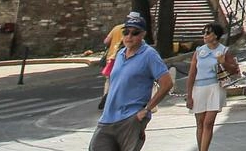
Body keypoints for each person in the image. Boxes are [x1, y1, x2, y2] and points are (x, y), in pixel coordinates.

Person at [88, 11, 173, 151]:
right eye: (126, 32)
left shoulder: (149, 55)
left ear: (143, 34)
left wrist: (147, 109)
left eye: (135, 33)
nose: (129, 36)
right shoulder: (121, 53)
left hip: (130, 119)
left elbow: (167, 83)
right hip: (107, 119)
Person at [186, 23, 235, 151]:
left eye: (208, 33)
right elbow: (192, 74)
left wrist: (223, 62)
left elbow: (234, 69)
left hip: (215, 87)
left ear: (216, 35)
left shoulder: (224, 50)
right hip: (199, 88)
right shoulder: (199, 51)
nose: (205, 35)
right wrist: (189, 96)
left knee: (208, 122)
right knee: (200, 123)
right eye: (204, 32)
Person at [97, 20, 126, 110]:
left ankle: (106, 99)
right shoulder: (133, 30)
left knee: (109, 80)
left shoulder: (116, 28)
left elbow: (106, 41)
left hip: (112, 57)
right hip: (124, 58)